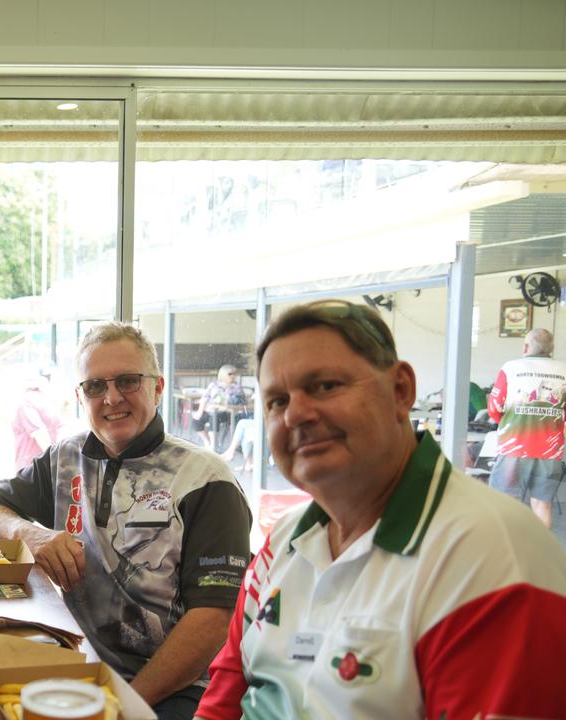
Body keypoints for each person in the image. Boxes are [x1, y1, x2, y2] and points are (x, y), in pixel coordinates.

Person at [196, 301, 566, 720]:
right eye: (277, 402)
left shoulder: (494, 558)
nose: (296, 414)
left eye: (325, 386)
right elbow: (224, 693)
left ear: (401, 390)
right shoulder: (283, 541)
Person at [0, 322, 252, 720]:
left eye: (127, 381)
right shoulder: (65, 458)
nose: (111, 398)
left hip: (176, 690)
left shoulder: (206, 479)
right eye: (95, 386)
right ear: (80, 396)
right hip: (81, 666)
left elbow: (213, 621)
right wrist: (31, 535)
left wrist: (116, 705)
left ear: (157, 387)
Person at [487, 327, 566, 528]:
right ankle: (539, 553)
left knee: (507, 502)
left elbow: (494, 408)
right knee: (542, 504)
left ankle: (508, 552)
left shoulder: (510, 369)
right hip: (551, 451)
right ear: (551, 348)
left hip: (514, 448)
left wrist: (510, 422)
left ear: (525, 346)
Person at [12, 372, 63, 471]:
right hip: (49, 463)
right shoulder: (49, 401)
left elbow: (39, 433)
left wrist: (53, 460)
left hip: (32, 465)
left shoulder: (26, 401)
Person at [191, 364, 248, 450]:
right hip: (210, 410)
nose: (233, 376)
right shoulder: (214, 385)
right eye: (230, 374)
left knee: (214, 417)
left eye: (234, 374)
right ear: (223, 374)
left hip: (227, 412)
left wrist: (229, 405)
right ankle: (207, 441)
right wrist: (200, 411)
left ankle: (213, 445)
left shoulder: (237, 387)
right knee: (196, 419)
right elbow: (204, 398)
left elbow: (242, 401)